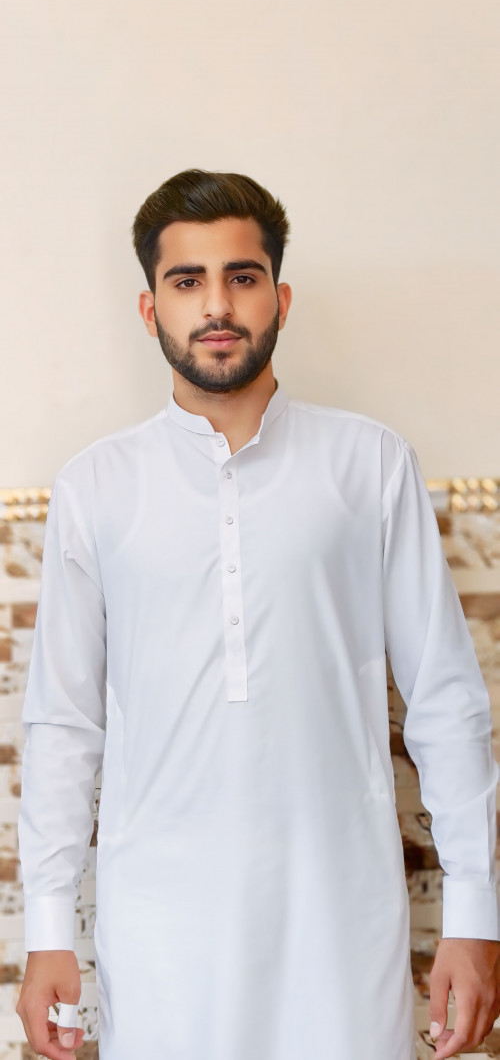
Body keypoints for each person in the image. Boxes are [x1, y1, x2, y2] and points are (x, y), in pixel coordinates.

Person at [16, 167, 500, 1060]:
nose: (216, 305)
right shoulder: (97, 487)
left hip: (341, 924)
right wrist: (46, 928)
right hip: (160, 935)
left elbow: (444, 697)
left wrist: (474, 912)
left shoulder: (370, 464)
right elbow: (63, 722)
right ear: (149, 308)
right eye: (187, 280)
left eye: (241, 276)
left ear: (280, 297)